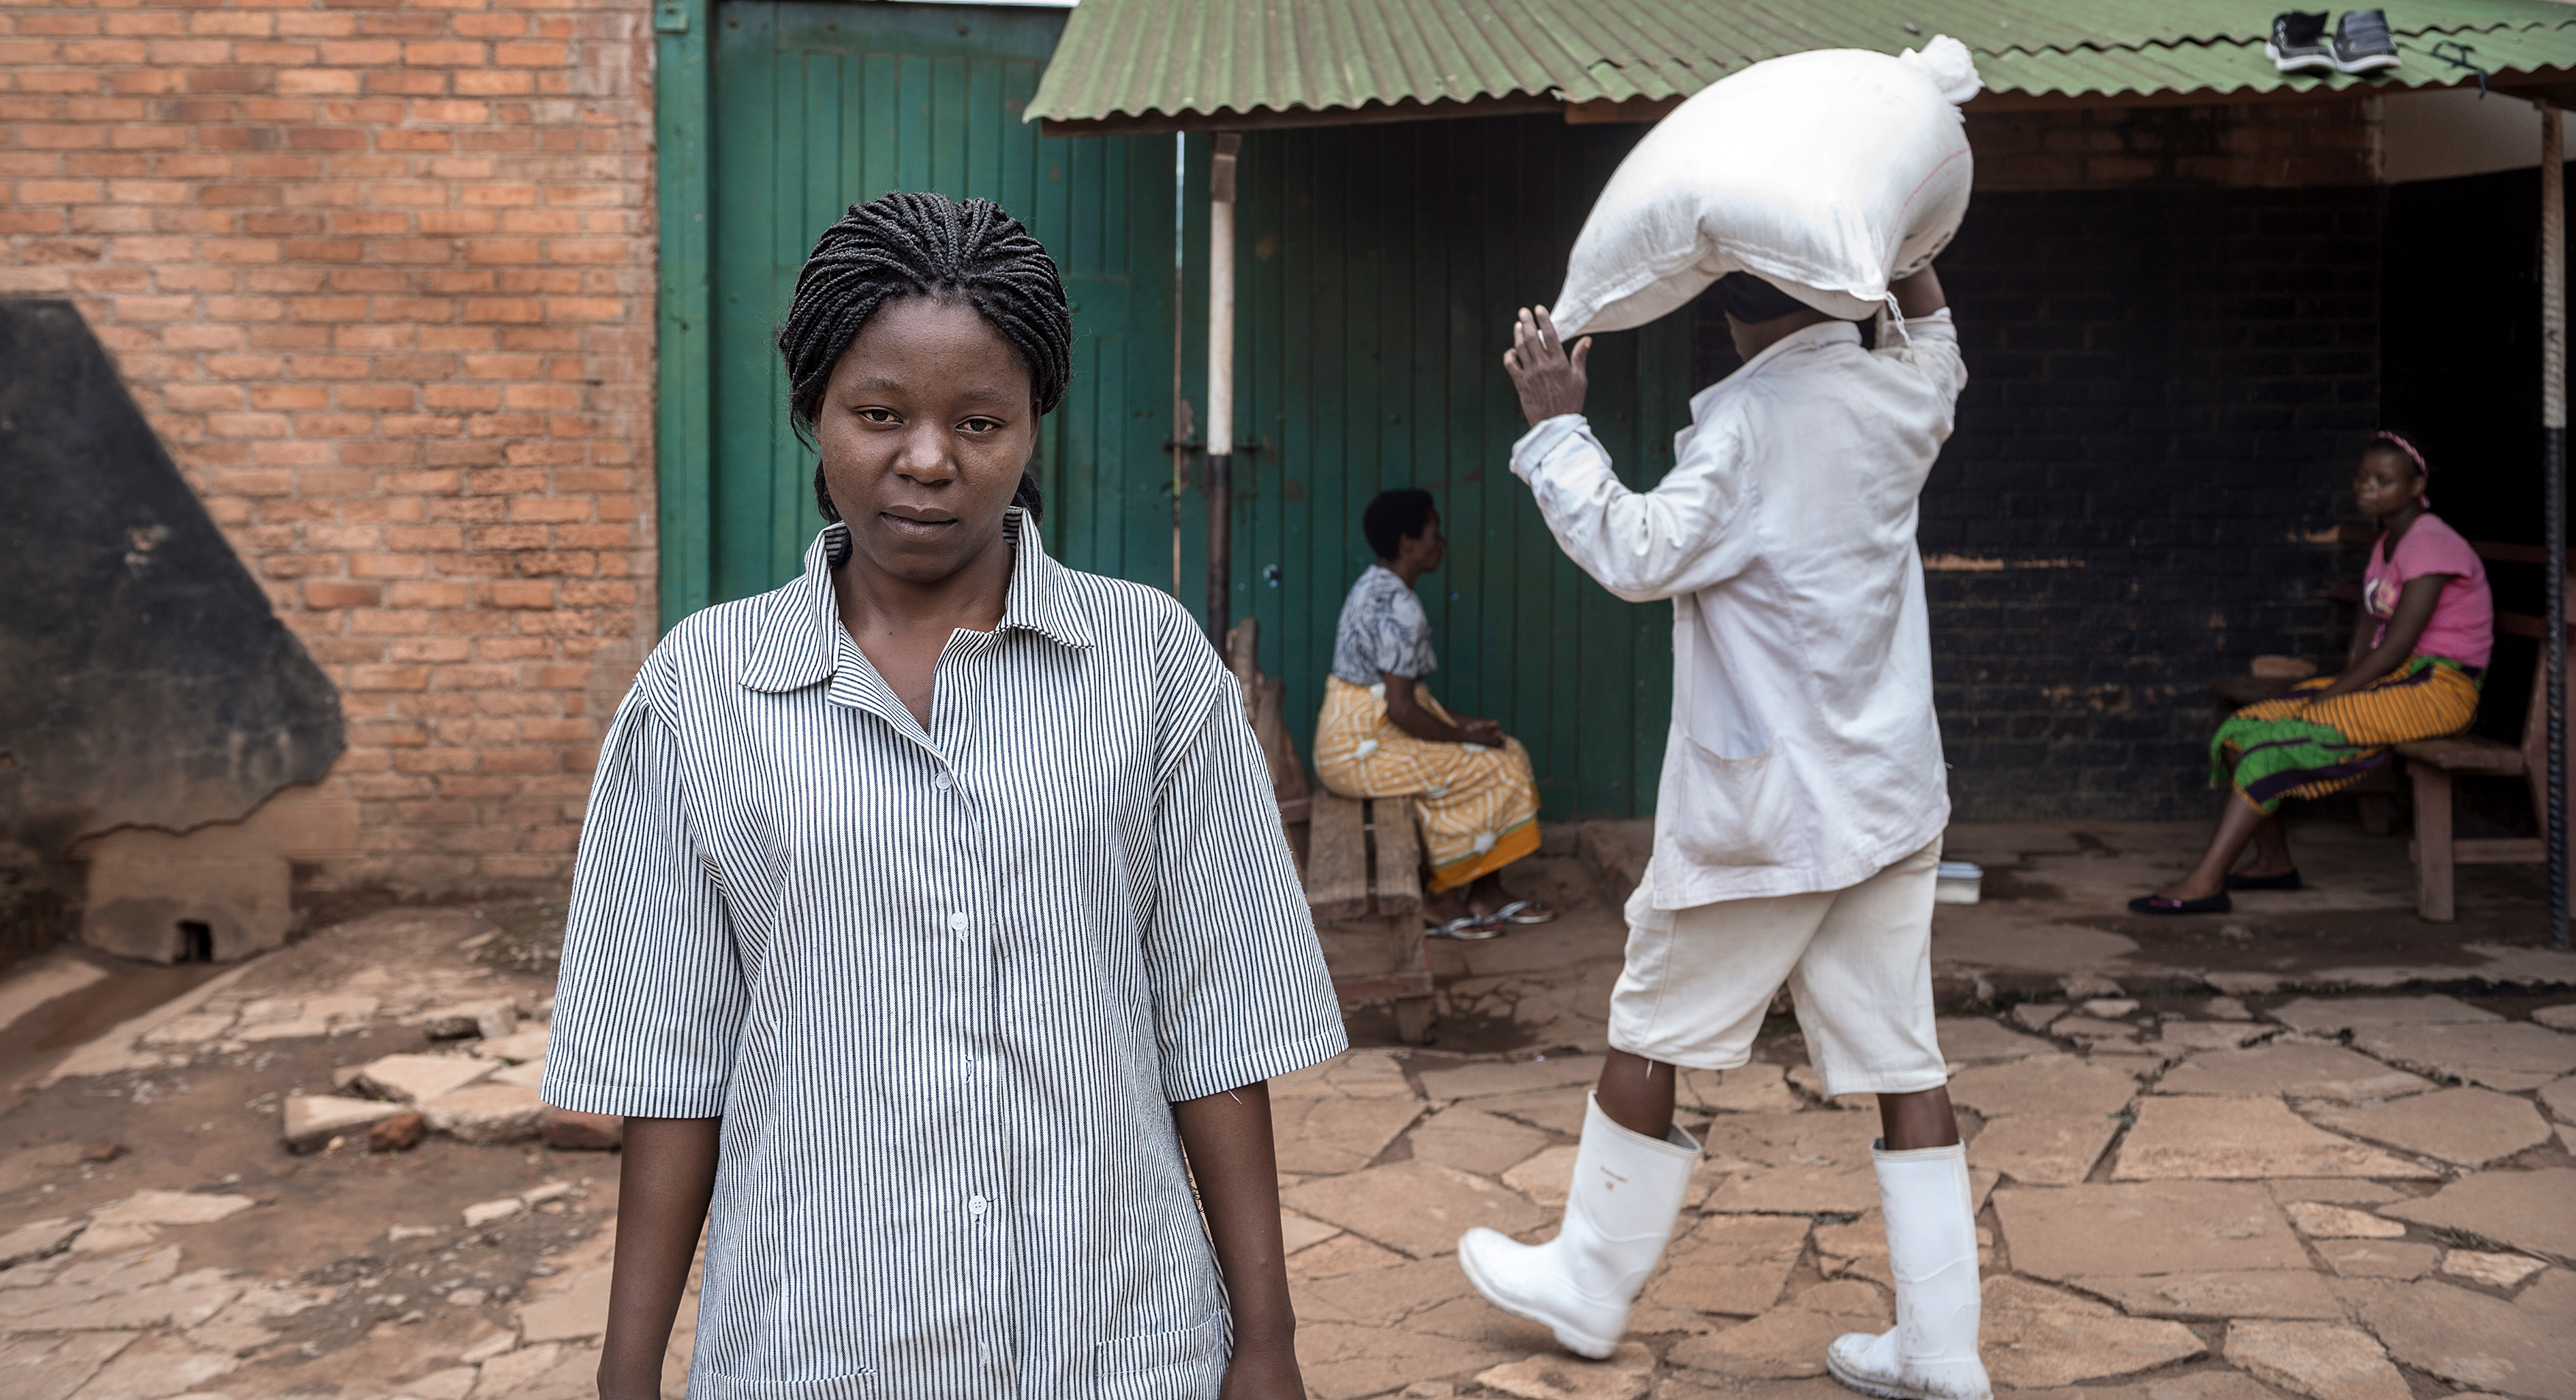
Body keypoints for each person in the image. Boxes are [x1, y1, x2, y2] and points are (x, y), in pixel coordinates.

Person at [542, 193, 1345, 1400]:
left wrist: (1266, 1340)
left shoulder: (1149, 664)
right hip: (815, 1342)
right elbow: (671, 1065)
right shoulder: (702, 691)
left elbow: (1215, 1016)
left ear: (1033, 426)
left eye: (980, 418)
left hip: (1115, 1336)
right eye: (879, 413)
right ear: (813, 409)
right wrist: (626, 1373)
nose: (928, 457)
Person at [1464, 266, 1986, 1400]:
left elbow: (1639, 554)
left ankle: (1591, 1285)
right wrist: (1898, 238)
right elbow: (1937, 341)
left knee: (1651, 1024)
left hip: (1770, 813)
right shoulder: (1902, 391)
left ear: (1729, 308)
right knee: (1905, 1054)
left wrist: (1560, 428)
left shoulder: (1751, 422)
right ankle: (1944, 1349)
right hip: (1888, 795)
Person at [2134, 430, 2494, 914]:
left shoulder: (2431, 543)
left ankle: (2205, 883)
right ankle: (2274, 864)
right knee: (2244, 729)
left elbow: (2396, 648)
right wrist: (2340, 688)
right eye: (2362, 476)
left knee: (2269, 748)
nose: (2367, 487)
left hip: (2438, 690)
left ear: (2416, 485)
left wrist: (2333, 699)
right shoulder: (2390, 541)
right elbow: (2370, 627)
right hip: (2398, 680)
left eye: (2383, 480)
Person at [1312, 489, 1556, 939]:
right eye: (1434, 535)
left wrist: (1464, 726)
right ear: (1407, 544)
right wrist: (1471, 739)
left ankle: (1480, 890)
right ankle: (1450, 894)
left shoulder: (1372, 585)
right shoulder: (1401, 606)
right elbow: (1402, 710)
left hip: (1353, 738)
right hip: (1360, 752)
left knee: (1502, 753)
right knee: (1498, 765)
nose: (1441, 544)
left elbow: (1407, 699)